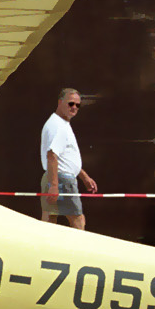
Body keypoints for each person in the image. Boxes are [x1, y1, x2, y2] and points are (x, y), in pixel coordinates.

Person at [39, 88, 98, 230]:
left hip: (54, 177)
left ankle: (43, 249)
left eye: (78, 105)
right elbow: (52, 155)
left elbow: (65, 157)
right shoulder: (59, 126)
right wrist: (54, 185)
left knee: (49, 219)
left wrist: (84, 176)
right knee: (78, 219)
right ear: (60, 102)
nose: (74, 108)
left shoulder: (59, 123)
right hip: (62, 180)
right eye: (71, 103)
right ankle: (80, 250)